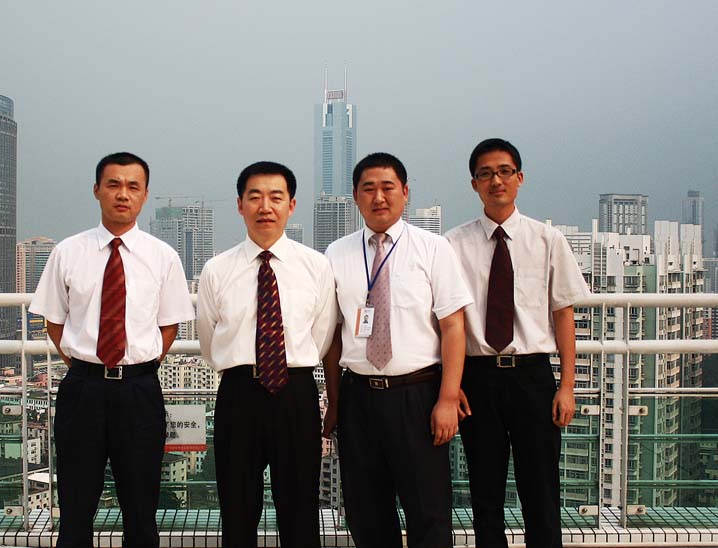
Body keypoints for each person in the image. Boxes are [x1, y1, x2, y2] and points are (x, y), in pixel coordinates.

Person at [30, 152, 194, 548]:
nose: (123, 194)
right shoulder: (68, 252)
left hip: (139, 391)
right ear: (97, 190)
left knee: (141, 508)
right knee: (75, 506)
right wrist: (85, 364)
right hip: (82, 389)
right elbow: (54, 320)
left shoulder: (163, 256)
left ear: (145, 195)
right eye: (114, 185)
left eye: (133, 186)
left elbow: (170, 324)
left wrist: (139, 364)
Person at [322, 152, 473, 548]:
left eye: (388, 187)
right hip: (358, 398)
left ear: (405, 192)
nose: (379, 197)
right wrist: (335, 401)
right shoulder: (336, 253)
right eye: (368, 189)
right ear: (355, 196)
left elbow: (453, 326)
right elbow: (332, 336)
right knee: (366, 514)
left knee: (428, 512)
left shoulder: (433, 248)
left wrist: (447, 398)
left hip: (418, 396)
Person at [446, 138, 589, 548]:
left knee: (541, 488)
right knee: (484, 490)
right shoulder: (453, 245)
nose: (496, 181)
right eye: (486, 174)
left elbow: (563, 314)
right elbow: (448, 321)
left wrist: (567, 386)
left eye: (505, 171)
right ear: (474, 183)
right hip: (476, 379)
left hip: (532, 376)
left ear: (520, 178)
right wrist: (451, 385)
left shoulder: (548, 240)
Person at [197, 161, 337, 548]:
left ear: (291, 205)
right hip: (238, 394)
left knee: (300, 508)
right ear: (239, 205)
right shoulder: (216, 270)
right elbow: (209, 339)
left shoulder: (316, 266)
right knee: (237, 508)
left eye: (276, 197)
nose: (265, 207)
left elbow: (321, 335)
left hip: (296, 393)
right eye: (254, 197)